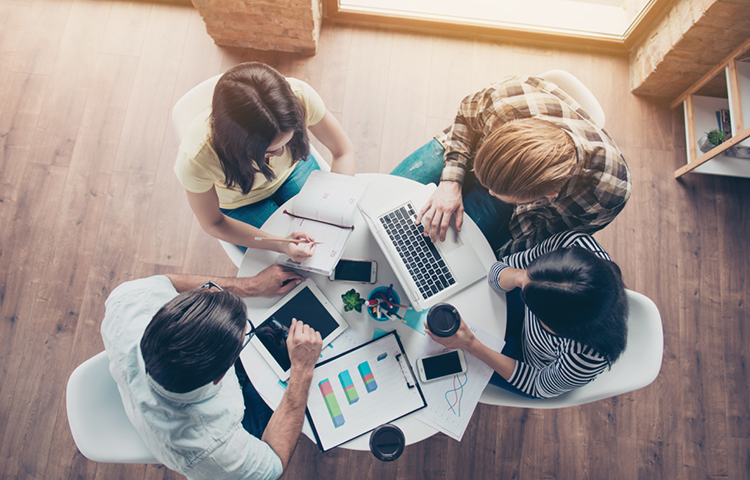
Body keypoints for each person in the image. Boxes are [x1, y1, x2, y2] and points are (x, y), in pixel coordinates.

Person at [101, 265, 322, 479]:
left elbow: (165, 282)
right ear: (223, 376)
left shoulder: (128, 300)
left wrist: (251, 286)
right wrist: (301, 372)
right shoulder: (214, 449)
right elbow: (273, 467)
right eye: (243, 337)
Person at [391, 75, 631, 257]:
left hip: (524, 207)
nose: (491, 193)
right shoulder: (507, 103)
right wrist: (451, 181)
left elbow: (543, 239)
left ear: (549, 195)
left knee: (446, 251)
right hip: (467, 150)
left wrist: (495, 259)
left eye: (499, 194)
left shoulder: (604, 195)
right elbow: (465, 116)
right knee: (386, 199)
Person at [175, 62, 356, 262]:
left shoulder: (300, 97)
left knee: (339, 239)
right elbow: (214, 223)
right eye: (269, 151)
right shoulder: (196, 159)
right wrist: (279, 243)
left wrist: (337, 203)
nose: (280, 154)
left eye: (288, 141)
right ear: (235, 144)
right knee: (291, 265)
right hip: (241, 203)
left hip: (294, 171)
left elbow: (343, 151)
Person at [425, 231, 628, 399]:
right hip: (525, 319)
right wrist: (520, 277)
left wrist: (472, 346)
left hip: (527, 362)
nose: (522, 284)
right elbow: (497, 270)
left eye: (526, 296)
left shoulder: (586, 357)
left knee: (442, 361)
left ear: (555, 328)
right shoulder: (573, 245)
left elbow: (538, 385)